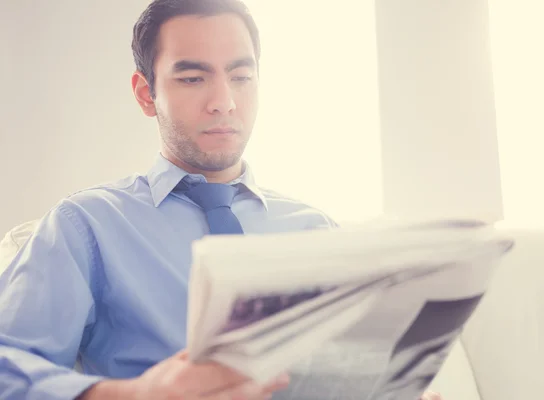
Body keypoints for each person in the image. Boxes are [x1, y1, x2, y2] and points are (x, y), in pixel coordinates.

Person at [0, 1, 442, 399]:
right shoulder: (87, 225)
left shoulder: (314, 229)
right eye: (193, 78)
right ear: (145, 93)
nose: (224, 102)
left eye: (241, 77)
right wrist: (132, 395)